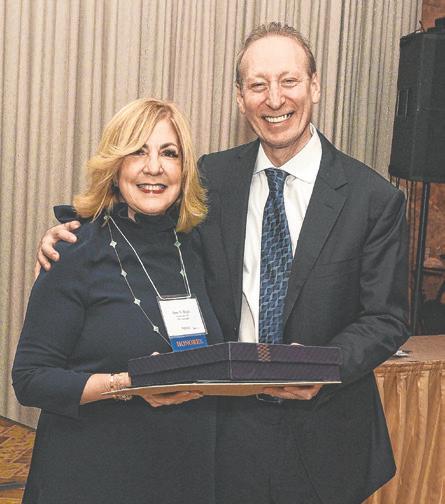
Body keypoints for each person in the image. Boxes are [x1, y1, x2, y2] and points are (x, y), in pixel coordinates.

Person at [35, 22, 409, 504]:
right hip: (222, 432)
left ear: (314, 86)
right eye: (258, 85)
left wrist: (324, 366)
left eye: (289, 81)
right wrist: (71, 230)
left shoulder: (373, 198)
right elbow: (140, 202)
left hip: (326, 437)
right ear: (240, 98)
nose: (274, 99)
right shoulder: (210, 178)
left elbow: (386, 317)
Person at [12, 98, 224, 504]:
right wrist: (127, 384)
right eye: (137, 152)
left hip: (181, 475)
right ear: (115, 165)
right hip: (91, 477)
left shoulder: (198, 247)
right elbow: (30, 379)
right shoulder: (75, 250)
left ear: (185, 169)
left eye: (169, 153)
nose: (154, 167)